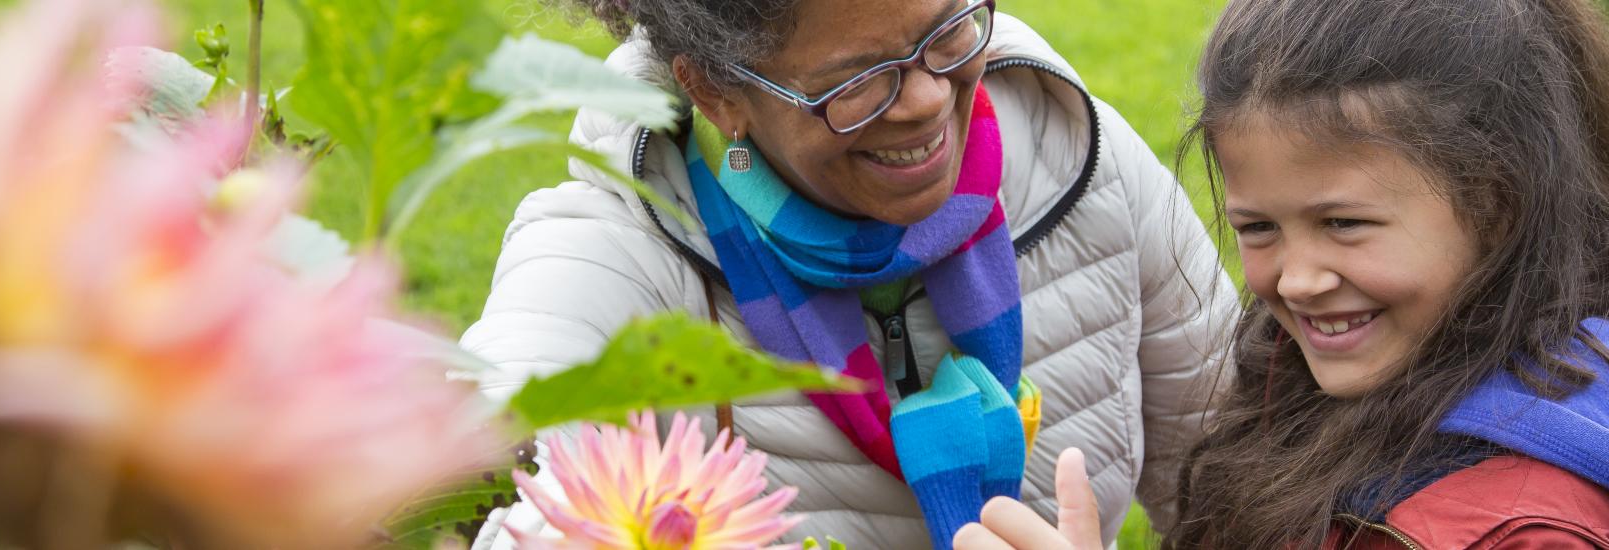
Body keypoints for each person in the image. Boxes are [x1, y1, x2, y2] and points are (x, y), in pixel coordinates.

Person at [953, 0, 1609, 548]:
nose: (1298, 279)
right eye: (1258, 228)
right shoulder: (1372, 369)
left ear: (1498, 205)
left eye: (1344, 225)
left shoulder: (1520, 528)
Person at [459, 0, 1237, 547]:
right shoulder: (610, 253)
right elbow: (498, 473)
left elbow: (1249, 482)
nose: (929, 100)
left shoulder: (1082, 159)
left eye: (946, 34)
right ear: (715, 90)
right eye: (856, 83)